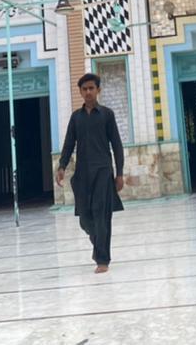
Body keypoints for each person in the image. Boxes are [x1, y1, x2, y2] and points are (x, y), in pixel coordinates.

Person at [56, 72, 124, 273]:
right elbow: (69, 143)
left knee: (101, 216)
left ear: (98, 90)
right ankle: (98, 245)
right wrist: (61, 167)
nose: (88, 92)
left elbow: (117, 145)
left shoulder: (107, 115)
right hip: (82, 174)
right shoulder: (75, 117)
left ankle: (103, 260)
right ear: (80, 92)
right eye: (84, 89)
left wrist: (119, 173)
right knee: (85, 219)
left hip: (103, 171)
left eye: (91, 88)